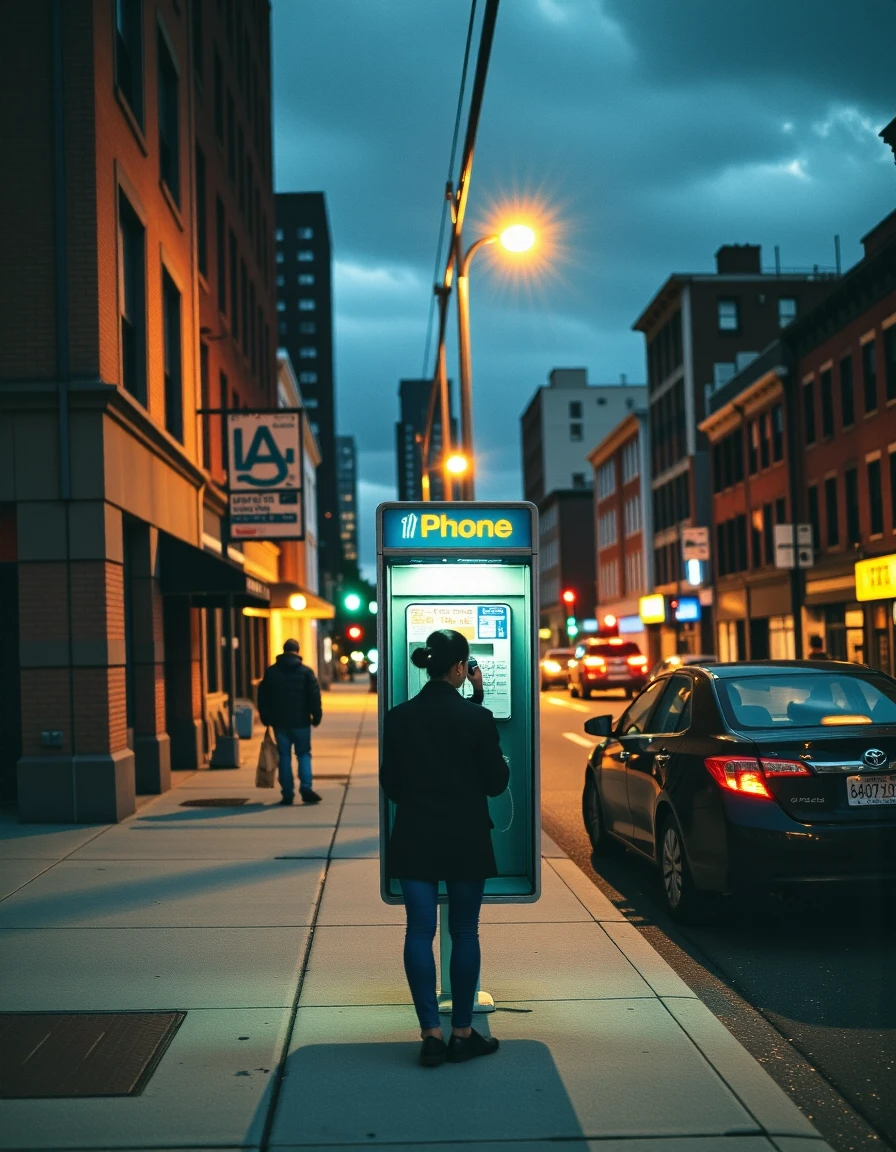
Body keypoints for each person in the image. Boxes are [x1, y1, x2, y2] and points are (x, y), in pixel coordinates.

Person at [380, 629, 510, 1068]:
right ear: (460, 668)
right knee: (465, 930)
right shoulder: (477, 718)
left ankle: (431, 1036)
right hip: (465, 837)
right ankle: (462, 1033)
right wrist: (478, 698)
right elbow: (496, 783)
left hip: (416, 834)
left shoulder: (399, 717)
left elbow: (391, 786)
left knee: (419, 931)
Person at [257, 639, 323, 805]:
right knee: (303, 754)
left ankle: (287, 792)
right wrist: (316, 716)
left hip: (280, 723)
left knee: (284, 756)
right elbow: (314, 696)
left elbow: (263, 696)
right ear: (297, 651)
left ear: (284, 650)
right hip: (301, 721)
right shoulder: (306, 672)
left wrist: (266, 717)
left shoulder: (271, 672)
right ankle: (306, 786)